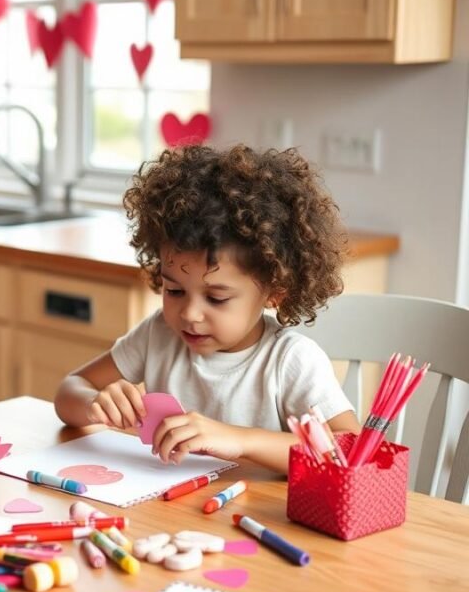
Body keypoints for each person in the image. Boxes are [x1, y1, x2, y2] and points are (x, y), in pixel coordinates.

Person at [54, 144, 360, 473]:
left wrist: (241, 440)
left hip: (257, 518)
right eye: (174, 290)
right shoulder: (158, 335)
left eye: (216, 298)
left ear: (275, 293)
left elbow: (347, 448)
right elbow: (68, 392)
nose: (189, 314)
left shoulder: (289, 361)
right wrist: (94, 404)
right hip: (171, 511)